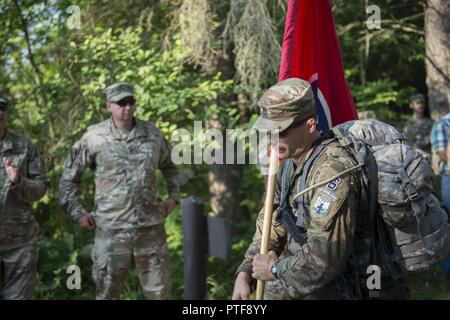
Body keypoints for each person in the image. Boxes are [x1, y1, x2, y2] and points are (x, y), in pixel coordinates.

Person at [232, 78, 409, 300]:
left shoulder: (332, 171)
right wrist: (246, 272)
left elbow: (325, 256)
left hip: (363, 287)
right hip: (325, 286)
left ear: (309, 125)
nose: (271, 139)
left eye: (280, 131)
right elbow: (273, 224)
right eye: (267, 132)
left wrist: (275, 270)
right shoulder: (288, 165)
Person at [59, 83, 180, 299]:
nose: (127, 107)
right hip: (110, 229)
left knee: (159, 292)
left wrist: (173, 197)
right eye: (121, 103)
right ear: (109, 106)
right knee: (107, 292)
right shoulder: (93, 137)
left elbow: (170, 167)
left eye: (131, 102)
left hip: (150, 228)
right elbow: (69, 178)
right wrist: (77, 212)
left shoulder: (152, 134)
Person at [0, 96, 47, 299]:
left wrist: (19, 181)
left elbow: (41, 189)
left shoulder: (23, 146)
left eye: (2, 107)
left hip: (19, 243)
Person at [431, 98, 450, 279]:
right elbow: (444, 156)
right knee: (447, 222)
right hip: (449, 179)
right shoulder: (443, 124)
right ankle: (447, 271)